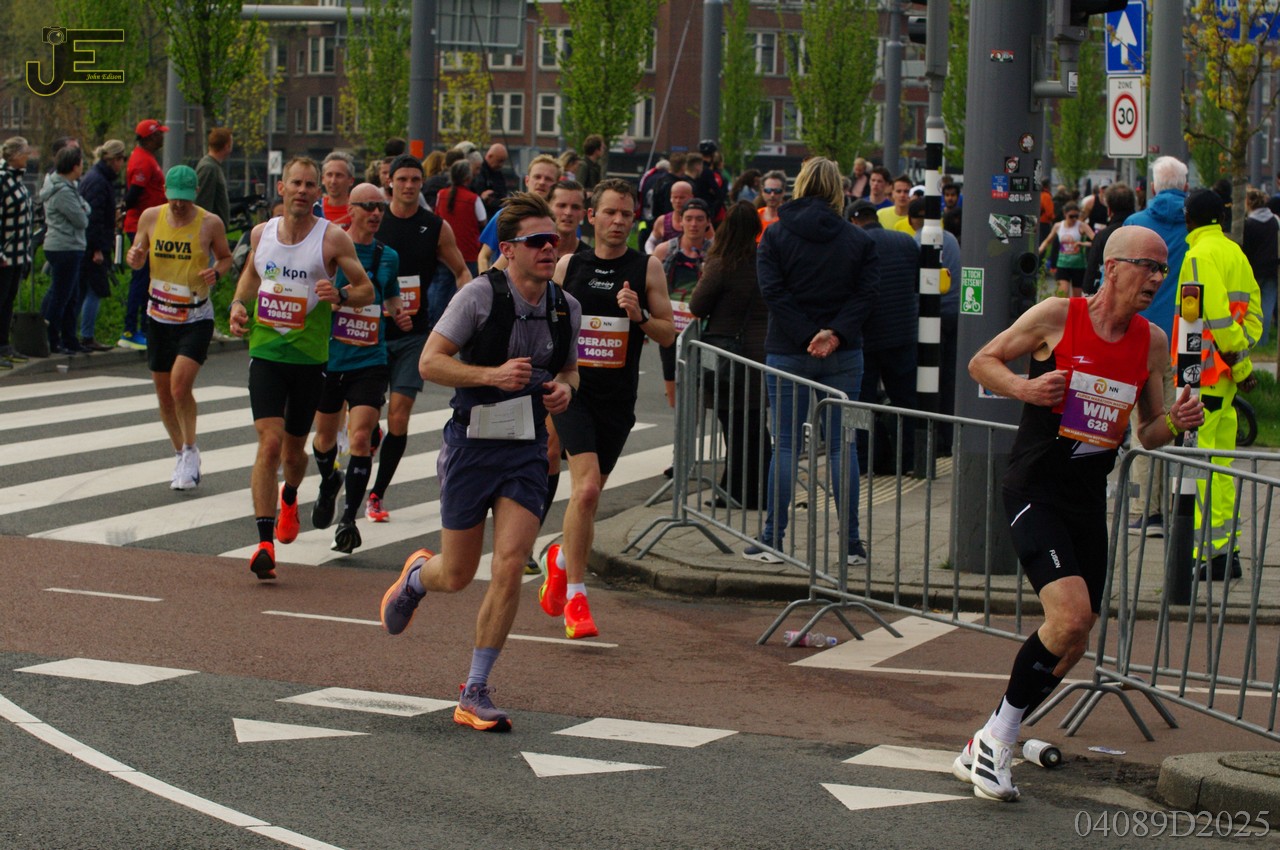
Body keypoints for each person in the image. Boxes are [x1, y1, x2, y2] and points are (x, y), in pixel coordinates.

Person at [955, 224, 1203, 803]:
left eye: (1163, 269)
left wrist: (1176, 421)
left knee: (1076, 638)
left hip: (1088, 496)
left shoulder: (1152, 342)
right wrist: (1025, 389)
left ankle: (988, 737)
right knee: (1067, 619)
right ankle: (997, 744)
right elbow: (982, 362)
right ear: (1112, 267)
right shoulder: (1057, 317)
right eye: (1148, 266)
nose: (1157, 278)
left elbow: (1148, 431)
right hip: (1035, 488)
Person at [379, 192, 582, 731]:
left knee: (510, 563)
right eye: (537, 241)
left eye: (554, 240)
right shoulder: (478, 296)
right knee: (458, 573)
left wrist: (565, 389)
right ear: (509, 249)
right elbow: (430, 363)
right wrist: (491, 375)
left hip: (525, 449)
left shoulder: (566, 306)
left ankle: (475, 689)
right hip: (472, 445)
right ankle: (418, 578)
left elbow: (570, 370)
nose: (549, 248)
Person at [228, 156, 376, 581]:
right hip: (266, 352)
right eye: (296, 183)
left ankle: (290, 495)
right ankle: (264, 543)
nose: (303, 191)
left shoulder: (332, 238)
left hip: (310, 360)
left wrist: (341, 295)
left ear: (319, 192)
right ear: (282, 187)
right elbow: (251, 277)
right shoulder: (262, 233)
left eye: (310, 185)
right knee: (269, 443)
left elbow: (366, 290)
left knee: (294, 453)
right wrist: (238, 304)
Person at [538, 178, 674, 637]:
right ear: (591, 216)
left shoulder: (647, 267)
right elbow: (545, 324)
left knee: (589, 499)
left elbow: (668, 334)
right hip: (573, 391)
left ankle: (561, 558)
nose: (618, 221)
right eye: (610, 212)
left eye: (626, 214)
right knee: (587, 490)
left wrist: (639, 316)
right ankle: (577, 598)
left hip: (618, 400)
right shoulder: (567, 266)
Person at [744, 157, 879, 566]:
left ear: (799, 184)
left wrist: (806, 335)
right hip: (845, 354)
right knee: (843, 447)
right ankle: (851, 543)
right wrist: (835, 333)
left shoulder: (775, 235)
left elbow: (772, 292)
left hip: (788, 351)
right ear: (839, 189)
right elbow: (867, 295)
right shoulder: (858, 239)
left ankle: (773, 538)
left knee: (785, 445)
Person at [368, 154, 471, 523]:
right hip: (372, 333)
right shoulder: (376, 221)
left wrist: (467, 309)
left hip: (415, 334)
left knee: (399, 416)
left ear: (422, 183)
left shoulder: (435, 227)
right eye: (402, 179)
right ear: (390, 182)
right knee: (364, 419)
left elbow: (461, 271)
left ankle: (377, 494)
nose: (409, 186)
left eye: (415, 180)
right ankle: (370, 436)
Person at [309, 183, 412, 553]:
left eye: (380, 207)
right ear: (349, 210)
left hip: (370, 359)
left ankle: (348, 519)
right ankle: (328, 481)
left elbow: (391, 294)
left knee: (361, 439)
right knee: (324, 440)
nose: (376, 213)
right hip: (330, 356)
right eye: (368, 206)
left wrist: (399, 312)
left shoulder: (388, 256)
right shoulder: (330, 250)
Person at [126, 165, 233, 489]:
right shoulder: (150, 217)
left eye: (185, 199)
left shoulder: (210, 222)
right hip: (159, 316)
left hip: (195, 317)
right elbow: (138, 252)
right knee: (164, 394)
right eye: (174, 198)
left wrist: (216, 272)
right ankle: (182, 455)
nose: (178, 205)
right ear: (166, 193)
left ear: (194, 195)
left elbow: (225, 257)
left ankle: (189, 446)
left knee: (179, 387)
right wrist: (135, 257)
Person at [1176, 189, 1262, 581]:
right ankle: (1227, 551)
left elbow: (1214, 316)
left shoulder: (1198, 256)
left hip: (1202, 376)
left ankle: (1205, 554)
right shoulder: (1235, 254)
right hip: (1223, 380)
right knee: (1222, 466)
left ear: (1188, 219)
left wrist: (1237, 363)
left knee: (1198, 467)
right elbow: (1254, 317)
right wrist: (1242, 357)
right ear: (1223, 219)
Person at [1123, 156, 1189, 537]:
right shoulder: (1194, 229)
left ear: (1152, 187)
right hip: (1183, 342)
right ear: (1185, 188)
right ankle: (1176, 506)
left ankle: (1146, 511)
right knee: (1176, 424)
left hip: (1142, 339)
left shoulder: (1135, 226)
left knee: (1144, 424)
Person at [689, 200, 771, 509]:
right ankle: (757, 489)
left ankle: (739, 491)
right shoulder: (766, 261)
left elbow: (698, 305)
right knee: (754, 425)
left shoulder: (722, 262)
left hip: (727, 355)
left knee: (734, 425)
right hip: (760, 352)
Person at [849, 198, 920, 475]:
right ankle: (910, 460)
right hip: (903, 334)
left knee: (862, 402)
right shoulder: (905, 242)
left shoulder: (854, 244)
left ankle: (865, 461)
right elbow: (917, 283)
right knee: (905, 400)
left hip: (866, 337)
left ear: (854, 221)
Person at [907, 197, 961, 455]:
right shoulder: (951, 240)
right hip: (955, 316)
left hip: (931, 318)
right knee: (949, 380)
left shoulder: (918, 242)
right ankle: (948, 439)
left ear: (910, 220)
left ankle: (932, 441)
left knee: (930, 379)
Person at [654, 198, 713, 407]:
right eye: (689, 219)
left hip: (704, 327)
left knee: (701, 390)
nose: (694, 224)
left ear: (708, 222)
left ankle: (693, 418)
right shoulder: (664, 250)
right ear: (681, 222)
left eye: (699, 219)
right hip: (671, 325)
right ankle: (678, 415)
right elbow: (651, 287)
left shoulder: (715, 253)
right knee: (674, 392)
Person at [119, 119, 169, 351]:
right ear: (149, 137)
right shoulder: (142, 161)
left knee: (148, 278)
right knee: (140, 278)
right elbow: (134, 195)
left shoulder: (147, 158)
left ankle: (145, 327)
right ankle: (130, 330)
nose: (162, 137)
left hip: (150, 227)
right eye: (159, 134)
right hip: (141, 227)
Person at [39, 146, 91, 355]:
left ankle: (69, 337)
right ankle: (52, 338)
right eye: (81, 163)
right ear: (74, 166)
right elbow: (81, 220)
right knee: (60, 295)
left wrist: (83, 209)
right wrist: (83, 210)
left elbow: (85, 208)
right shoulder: (62, 191)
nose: (82, 167)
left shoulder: (69, 187)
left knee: (72, 295)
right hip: (64, 246)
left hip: (69, 245)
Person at [78, 140, 127, 351]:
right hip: (94, 247)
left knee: (82, 290)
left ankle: (74, 333)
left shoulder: (94, 178)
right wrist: (97, 248)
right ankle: (86, 335)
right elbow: (94, 216)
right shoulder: (100, 182)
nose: (122, 164)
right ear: (113, 159)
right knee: (94, 290)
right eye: (122, 159)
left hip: (89, 243)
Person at [475, 154, 561, 273]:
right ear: (527, 180)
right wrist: (485, 281)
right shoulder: (506, 215)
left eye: (548, 179)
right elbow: (483, 256)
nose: (541, 182)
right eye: (537, 177)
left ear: (557, 184)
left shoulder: (563, 221)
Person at [0, 137, 34, 369]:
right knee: (1, 300)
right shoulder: (3, 179)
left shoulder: (17, 179)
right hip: (5, 254)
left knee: (8, 301)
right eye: (25, 153)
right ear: (14, 155)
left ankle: (4, 344)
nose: (28, 157)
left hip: (18, 253)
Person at [1082, 182, 1136, 295]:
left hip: (1110, 296)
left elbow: (1092, 272)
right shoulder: (1144, 232)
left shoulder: (1103, 236)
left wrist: (1088, 293)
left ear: (1109, 210)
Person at [436, 159, 486, 276]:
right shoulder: (473, 199)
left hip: (444, 254)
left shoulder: (441, 194)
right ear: (468, 178)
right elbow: (483, 221)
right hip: (468, 253)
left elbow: (436, 215)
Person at [1242, 187, 1279, 346]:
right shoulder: (1275, 221)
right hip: (1272, 269)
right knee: (1267, 306)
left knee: (1252, 308)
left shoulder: (1248, 224)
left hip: (1254, 270)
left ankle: (1253, 340)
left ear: (1248, 203)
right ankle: (1264, 341)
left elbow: (1247, 249)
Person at [1038, 202, 1094, 297]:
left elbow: (1096, 241)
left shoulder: (1082, 226)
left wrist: (1082, 244)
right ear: (1065, 214)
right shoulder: (1058, 226)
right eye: (1071, 216)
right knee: (1062, 294)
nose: (1074, 219)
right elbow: (1047, 241)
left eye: (1076, 216)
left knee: (1076, 298)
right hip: (1063, 265)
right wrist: (1038, 251)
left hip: (1078, 266)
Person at [195, 128, 232, 229]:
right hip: (209, 231)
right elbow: (202, 202)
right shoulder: (209, 168)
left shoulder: (213, 166)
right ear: (227, 146)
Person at [645, 177, 694, 253]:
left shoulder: (699, 220)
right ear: (670, 198)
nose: (678, 201)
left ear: (691, 197)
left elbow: (711, 244)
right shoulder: (663, 221)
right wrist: (652, 255)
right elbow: (650, 243)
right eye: (675, 197)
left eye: (682, 198)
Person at [472, 143, 510, 220]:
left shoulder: (498, 173)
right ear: (490, 156)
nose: (501, 165)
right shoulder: (480, 172)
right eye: (499, 161)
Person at [320, 151, 356, 226]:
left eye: (339, 175)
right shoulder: (314, 210)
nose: (333, 181)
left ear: (351, 180)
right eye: (329, 175)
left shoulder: (359, 211)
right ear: (323, 179)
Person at [757, 170, 786, 242]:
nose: (772, 195)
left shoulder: (788, 218)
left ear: (783, 192)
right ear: (762, 192)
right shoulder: (755, 216)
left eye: (777, 191)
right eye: (768, 190)